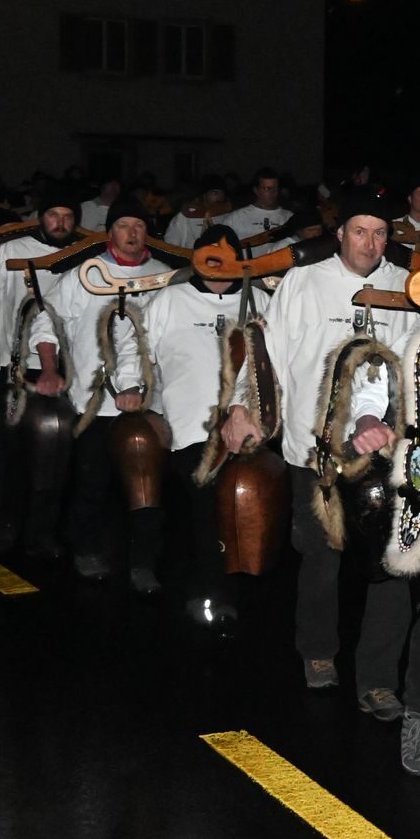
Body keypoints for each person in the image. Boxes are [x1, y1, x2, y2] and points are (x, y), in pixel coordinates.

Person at [256, 188, 420, 775]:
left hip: (383, 449)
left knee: (391, 562)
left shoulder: (405, 287)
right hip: (314, 449)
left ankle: (379, 680)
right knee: (320, 555)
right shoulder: (303, 283)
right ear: (340, 234)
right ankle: (318, 651)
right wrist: (259, 411)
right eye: (360, 231)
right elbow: (274, 354)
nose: (370, 243)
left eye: (380, 233)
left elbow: (416, 358)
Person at [27, 197, 167, 585]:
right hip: (94, 403)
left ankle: (143, 563)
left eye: (139, 226)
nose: (132, 233)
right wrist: (51, 368)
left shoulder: (163, 277)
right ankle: (85, 548)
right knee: (92, 482)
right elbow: (47, 321)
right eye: (123, 225)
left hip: (146, 403)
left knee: (147, 490)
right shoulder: (84, 275)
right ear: (110, 232)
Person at [141, 225, 268, 624]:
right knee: (205, 508)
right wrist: (133, 388)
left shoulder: (259, 301)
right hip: (190, 424)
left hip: (247, 426)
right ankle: (213, 594)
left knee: (242, 504)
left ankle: (232, 588)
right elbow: (138, 345)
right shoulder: (171, 299)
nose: (219, 265)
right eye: (211, 256)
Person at [0, 190, 79, 550]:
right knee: (5, 447)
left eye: (68, 216)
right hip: (12, 368)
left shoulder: (83, 256)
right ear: (42, 217)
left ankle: (47, 528)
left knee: (55, 453)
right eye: (53, 214)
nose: (61, 222)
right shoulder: (12, 251)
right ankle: (5, 516)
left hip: (64, 370)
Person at [216, 167, 296, 252]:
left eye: (275, 188)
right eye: (267, 189)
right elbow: (220, 246)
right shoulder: (237, 217)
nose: (272, 192)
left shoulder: (290, 217)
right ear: (256, 190)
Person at [165, 178, 227, 248]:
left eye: (222, 193)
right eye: (214, 193)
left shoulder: (227, 216)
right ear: (204, 195)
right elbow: (171, 247)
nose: (219, 197)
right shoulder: (184, 217)